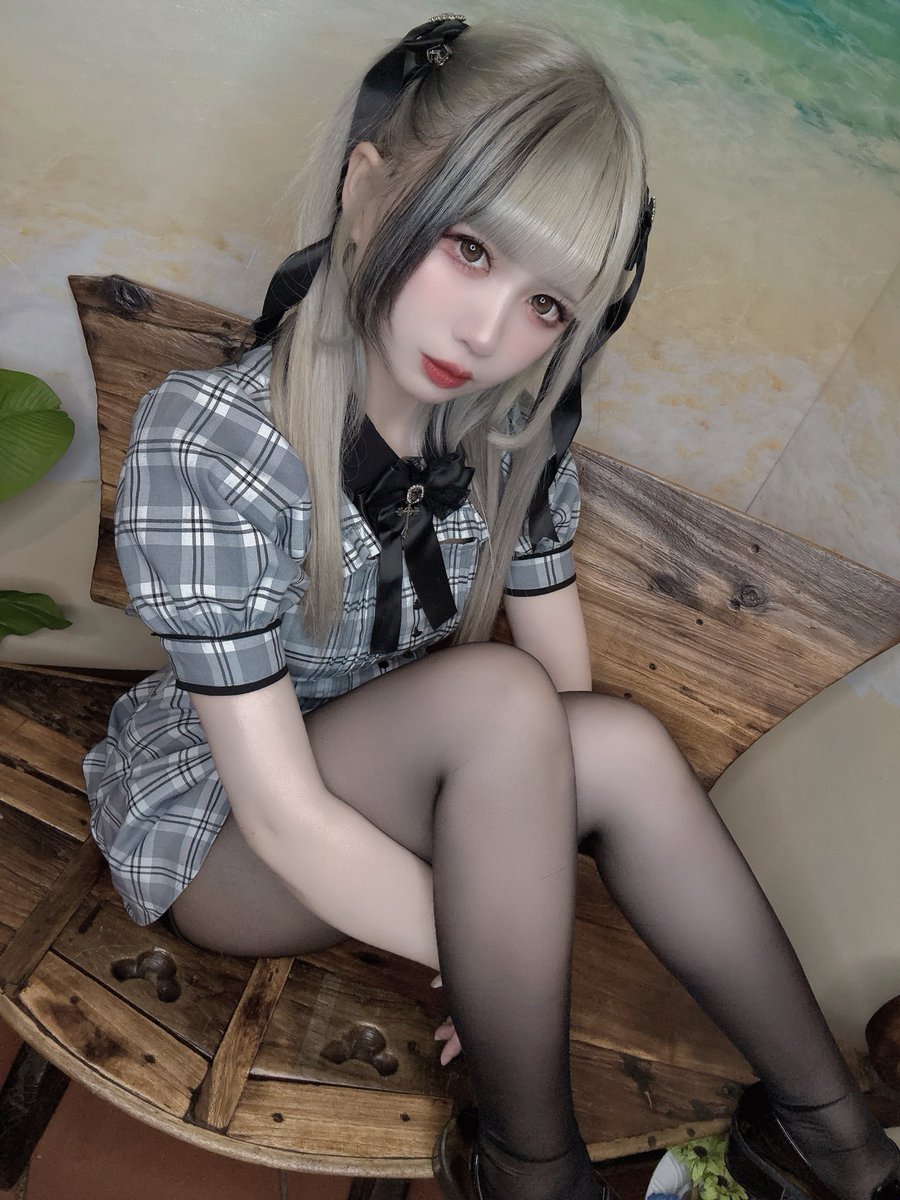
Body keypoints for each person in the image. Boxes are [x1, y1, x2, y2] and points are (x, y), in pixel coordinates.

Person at [82, 15, 900, 1200]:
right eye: (469, 249)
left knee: (618, 740)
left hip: (411, 791)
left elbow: (565, 702)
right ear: (368, 188)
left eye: (546, 305)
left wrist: (516, 895)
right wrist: (485, 957)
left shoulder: (507, 435)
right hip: (232, 841)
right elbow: (288, 817)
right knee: (501, 698)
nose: (488, 333)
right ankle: (531, 1166)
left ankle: (832, 1138)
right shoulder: (213, 441)